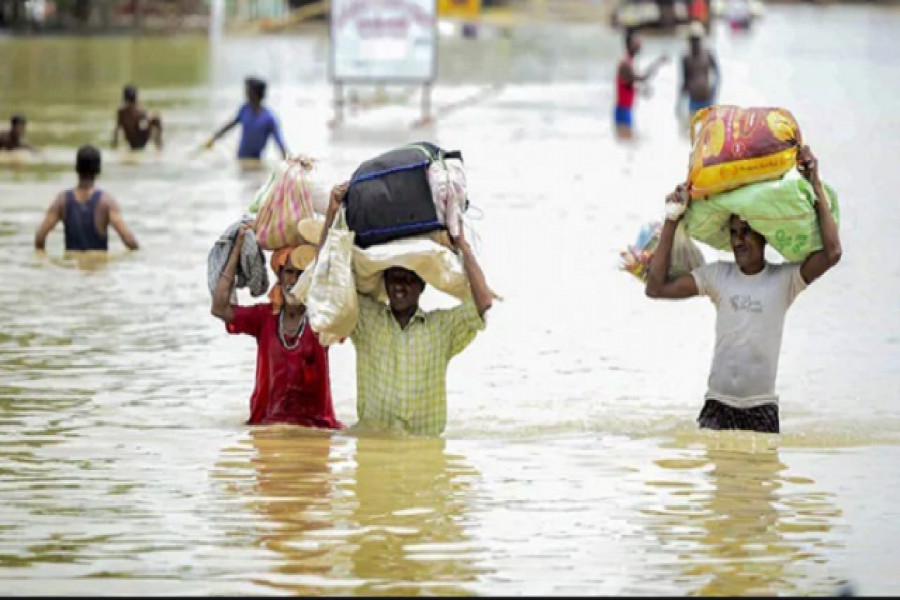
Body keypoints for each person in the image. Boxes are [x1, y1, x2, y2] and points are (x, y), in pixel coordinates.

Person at [644, 145, 842, 434]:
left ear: (764, 236)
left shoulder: (784, 280)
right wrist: (672, 218)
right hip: (717, 406)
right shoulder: (717, 276)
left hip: (761, 409)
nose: (738, 240)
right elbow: (655, 288)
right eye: (734, 232)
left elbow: (832, 253)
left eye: (746, 232)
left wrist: (815, 185)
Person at [316, 182, 494, 436]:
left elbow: (483, 303)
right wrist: (333, 212)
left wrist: (462, 244)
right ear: (385, 283)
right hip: (374, 445)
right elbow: (327, 280)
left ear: (422, 286)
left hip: (424, 447)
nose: (400, 286)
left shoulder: (442, 328)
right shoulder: (366, 318)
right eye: (394, 278)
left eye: (409, 279)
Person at [211, 228, 343, 429]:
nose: (294, 281)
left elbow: (346, 303)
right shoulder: (264, 317)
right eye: (289, 272)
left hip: (316, 429)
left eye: (302, 274)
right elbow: (219, 308)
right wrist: (237, 248)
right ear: (280, 276)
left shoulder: (322, 319)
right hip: (266, 426)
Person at [34, 144, 139, 253]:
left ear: (76, 168)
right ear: (98, 170)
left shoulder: (62, 200)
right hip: (98, 263)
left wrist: (43, 256)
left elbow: (40, 238)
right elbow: (129, 241)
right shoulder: (106, 202)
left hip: (71, 263)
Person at [205, 77, 288, 160]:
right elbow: (230, 125)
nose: (245, 93)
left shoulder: (269, 118)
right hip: (240, 158)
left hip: (256, 160)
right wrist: (214, 138)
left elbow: (279, 142)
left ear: (254, 94)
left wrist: (287, 160)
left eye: (248, 91)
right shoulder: (245, 109)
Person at [614, 29, 668, 140]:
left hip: (625, 110)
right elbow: (642, 78)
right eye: (636, 42)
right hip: (623, 111)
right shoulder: (625, 64)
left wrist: (641, 91)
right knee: (628, 142)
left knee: (628, 142)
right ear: (629, 44)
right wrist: (658, 63)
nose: (639, 44)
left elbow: (628, 85)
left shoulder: (628, 62)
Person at [677, 21, 721, 122]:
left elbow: (717, 74)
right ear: (689, 41)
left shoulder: (708, 54)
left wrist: (714, 90)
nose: (695, 42)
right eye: (693, 39)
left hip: (708, 99)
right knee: (694, 128)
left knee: (710, 128)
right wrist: (679, 103)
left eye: (697, 39)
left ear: (701, 39)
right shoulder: (686, 58)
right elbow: (684, 81)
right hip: (694, 100)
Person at [112, 84, 163, 151]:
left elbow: (117, 129)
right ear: (136, 97)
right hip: (140, 141)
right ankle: (159, 147)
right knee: (156, 119)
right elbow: (143, 128)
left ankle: (159, 146)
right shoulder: (140, 112)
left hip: (133, 142)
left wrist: (114, 145)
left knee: (154, 119)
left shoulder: (121, 112)